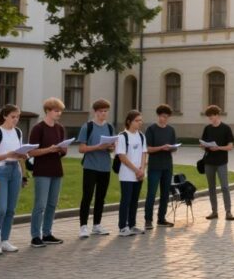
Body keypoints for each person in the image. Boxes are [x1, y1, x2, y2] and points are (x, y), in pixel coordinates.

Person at [0, 104, 31, 255]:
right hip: (1, 171)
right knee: (1, 209)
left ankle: (5, 240)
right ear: (5, 116)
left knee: (11, 209)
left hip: (15, 171)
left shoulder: (18, 132)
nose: (16, 120)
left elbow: (19, 156)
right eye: (13, 117)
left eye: (18, 117)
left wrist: (24, 172)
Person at [29, 97, 68, 247]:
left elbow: (61, 151)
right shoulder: (38, 128)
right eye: (56, 111)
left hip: (56, 170)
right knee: (40, 205)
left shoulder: (60, 128)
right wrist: (49, 149)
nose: (59, 113)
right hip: (42, 171)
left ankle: (47, 233)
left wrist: (62, 150)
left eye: (60, 111)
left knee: (52, 204)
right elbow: (31, 152)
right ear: (47, 111)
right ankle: (35, 236)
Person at [77, 98, 116, 238]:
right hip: (90, 166)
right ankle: (83, 226)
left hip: (105, 167)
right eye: (101, 111)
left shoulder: (110, 127)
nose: (103, 114)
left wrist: (111, 147)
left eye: (106, 111)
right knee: (87, 196)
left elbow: (112, 148)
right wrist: (97, 147)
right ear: (95, 112)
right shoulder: (87, 127)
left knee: (101, 197)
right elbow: (81, 148)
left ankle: (97, 225)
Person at [144, 104, 178, 229]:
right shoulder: (151, 129)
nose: (164, 119)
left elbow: (174, 147)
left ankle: (161, 218)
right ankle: (148, 220)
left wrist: (172, 148)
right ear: (158, 116)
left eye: (166, 117)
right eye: (162, 116)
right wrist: (161, 147)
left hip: (167, 166)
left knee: (165, 194)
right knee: (151, 194)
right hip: (154, 166)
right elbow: (147, 149)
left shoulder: (171, 130)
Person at [200, 105, 234, 221]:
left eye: (212, 116)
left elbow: (230, 147)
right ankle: (214, 211)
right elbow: (202, 144)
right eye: (209, 117)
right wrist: (204, 145)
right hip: (209, 162)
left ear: (217, 115)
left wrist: (219, 148)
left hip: (221, 162)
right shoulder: (207, 129)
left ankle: (228, 211)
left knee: (225, 187)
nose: (210, 119)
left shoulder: (226, 128)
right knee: (211, 188)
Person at [116, 110, 148, 237]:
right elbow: (122, 157)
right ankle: (123, 227)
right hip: (127, 174)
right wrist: (136, 170)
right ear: (129, 121)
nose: (140, 123)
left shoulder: (141, 136)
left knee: (135, 200)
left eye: (141, 120)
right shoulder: (122, 136)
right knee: (126, 200)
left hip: (139, 174)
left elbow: (144, 153)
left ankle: (132, 225)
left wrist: (142, 170)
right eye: (137, 120)